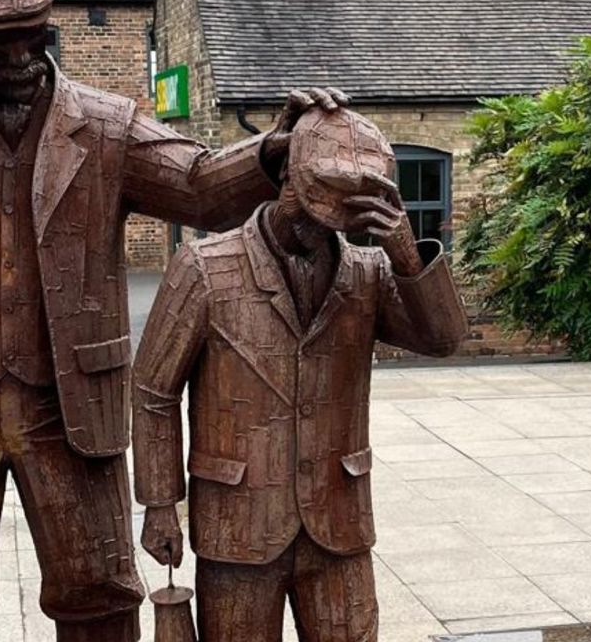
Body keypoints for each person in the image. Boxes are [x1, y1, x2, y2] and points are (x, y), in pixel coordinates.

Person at [0, 0, 340, 642]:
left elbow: (199, 185)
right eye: (0, 37)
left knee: (100, 601)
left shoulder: (103, 126)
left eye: (35, 34)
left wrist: (270, 151)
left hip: (72, 412)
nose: (23, 53)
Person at [133, 105, 469, 641]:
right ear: (285, 174)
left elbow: (444, 340)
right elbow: (153, 393)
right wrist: (158, 505)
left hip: (339, 521)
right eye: (318, 205)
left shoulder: (369, 272)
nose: (323, 226)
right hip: (237, 525)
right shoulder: (203, 266)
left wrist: (406, 254)